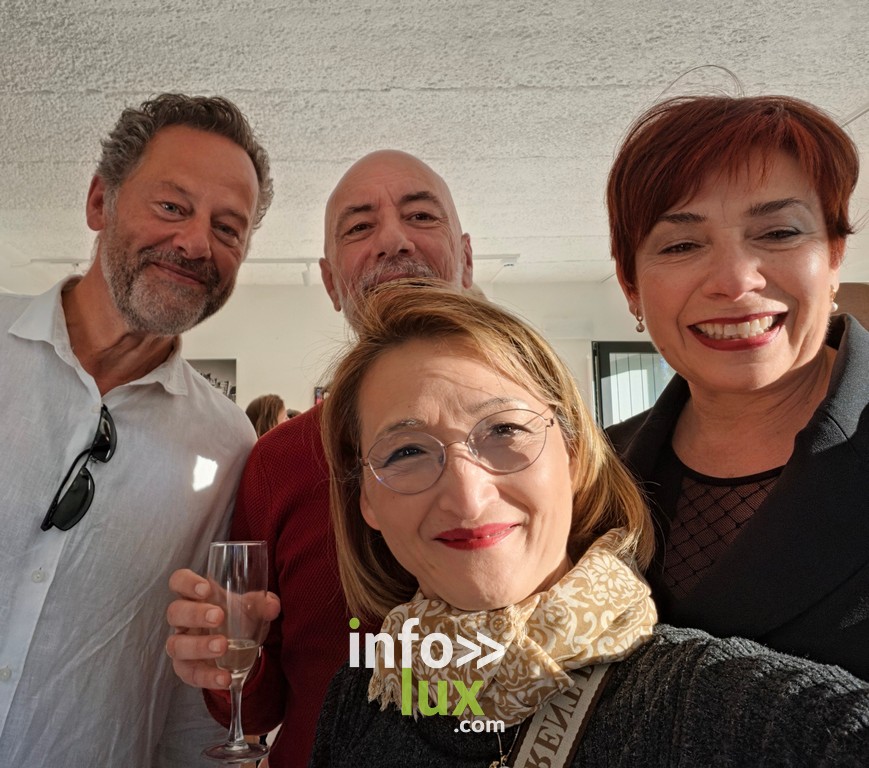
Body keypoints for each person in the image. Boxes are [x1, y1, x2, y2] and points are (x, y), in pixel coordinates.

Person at [309, 280, 869, 767]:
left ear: (574, 455)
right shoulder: (361, 696)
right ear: (367, 500)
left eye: (504, 430)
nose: (467, 497)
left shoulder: (711, 704)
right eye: (406, 452)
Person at [165, 149, 474, 767]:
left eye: (420, 216)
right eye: (359, 227)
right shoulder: (278, 462)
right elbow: (256, 710)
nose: (393, 240)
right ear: (331, 283)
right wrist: (221, 660)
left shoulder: (549, 440)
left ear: (466, 258)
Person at [0, 93, 272, 766]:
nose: (196, 244)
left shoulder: (227, 445)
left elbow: (189, 691)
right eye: (172, 206)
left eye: (228, 228)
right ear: (100, 202)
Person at [605, 94, 869, 679]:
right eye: (681, 245)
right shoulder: (590, 475)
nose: (734, 280)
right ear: (631, 286)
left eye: (778, 233)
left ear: (834, 255)